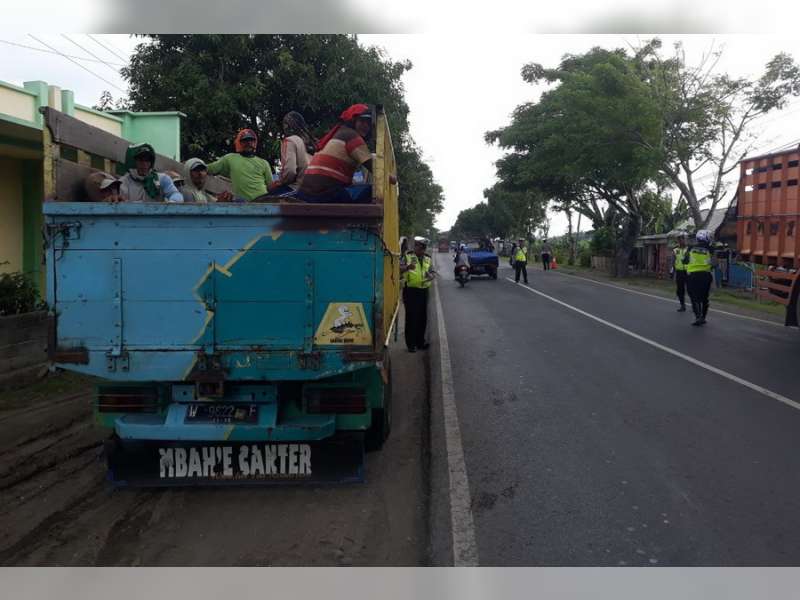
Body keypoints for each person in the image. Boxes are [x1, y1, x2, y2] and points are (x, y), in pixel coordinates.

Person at [297, 103, 374, 203]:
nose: (366, 126)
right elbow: (375, 169)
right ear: (353, 120)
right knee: (372, 191)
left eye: (368, 123)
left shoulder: (339, 134)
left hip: (305, 194)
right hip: (323, 195)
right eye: (362, 121)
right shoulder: (352, 136)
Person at [207, 128, 273, 202]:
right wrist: (198, 166)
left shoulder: (264, 162)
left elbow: (270, 186)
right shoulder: (230, 158)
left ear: (255, 143)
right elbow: (210, 168)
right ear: (239, 143)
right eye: (245, 141)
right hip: (242, 203)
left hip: (262, 201)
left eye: (251, 140)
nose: (248, 143)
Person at [268, 111, 315, 196]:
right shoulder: (313, 142)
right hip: (314, 189)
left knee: (263, 198)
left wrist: (279, 183)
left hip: (296, 189)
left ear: (287, 125)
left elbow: (290, 171)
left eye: (284, 124)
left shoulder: (290, 140)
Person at [401, 237, 435, 353]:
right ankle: (411, 344)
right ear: (415, 246)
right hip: (410, 291)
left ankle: (420, 342)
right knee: (411, 318)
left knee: (422, 318)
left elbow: (432, 271)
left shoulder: (428, 258)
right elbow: (398, 269)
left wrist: (431, 276)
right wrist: (407, 267)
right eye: (419, 247)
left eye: (423, 248)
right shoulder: (407, 256)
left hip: (424, 291)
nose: (421, 250)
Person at [119, 143, 183, 203]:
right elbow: (121, 202)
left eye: (148, 160)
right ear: (133, 162)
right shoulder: (124, 182)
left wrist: (173, 201)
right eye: (141, 160)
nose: (144, 164)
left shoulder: (162, 179)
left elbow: (176, 194)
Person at [683, 229, 715, 326]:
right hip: (706, 275)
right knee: (704, 297)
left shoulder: (691, 248)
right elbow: (715, 263)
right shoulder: (711, 249)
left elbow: (685, 260)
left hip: (693, 275)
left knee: (694, 296)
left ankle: (698, 317)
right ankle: (703, 317)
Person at [672, 231, 689, 312]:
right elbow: (673, 261)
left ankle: (695, 304)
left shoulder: (690, 249)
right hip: (679, 272)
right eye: (679, 239)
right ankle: (682, 305)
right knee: (679, 290)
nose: (681, 240)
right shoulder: (675, 250)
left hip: (689, 272)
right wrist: (672, 271)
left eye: (683, 239)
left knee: (691, 289)